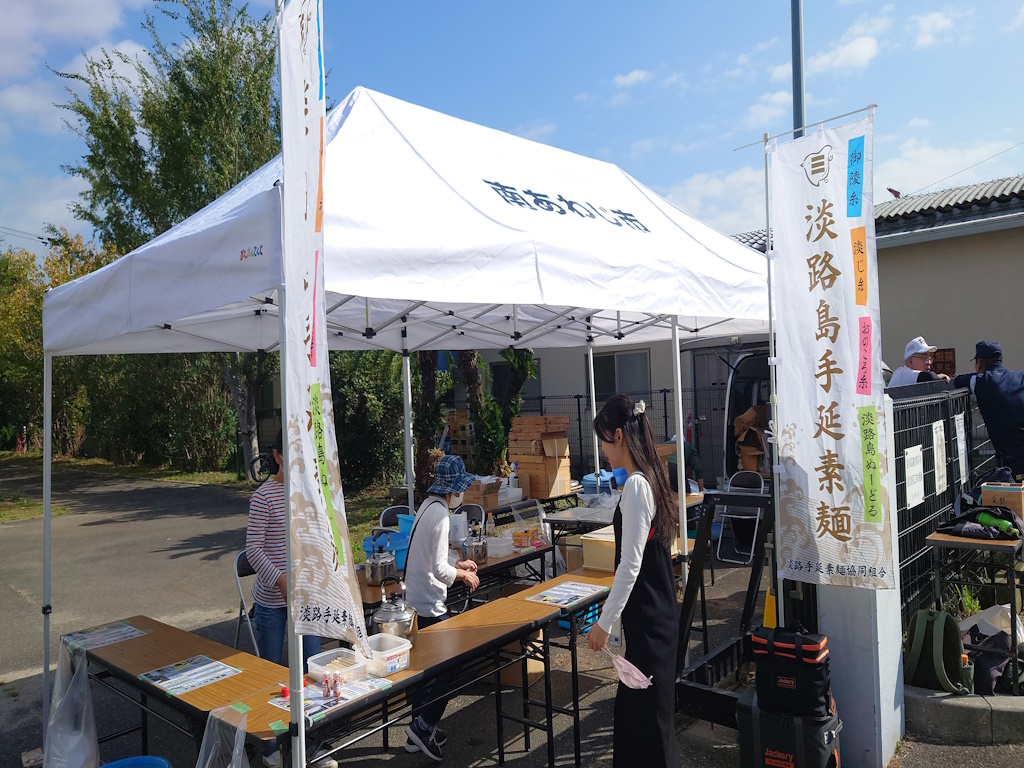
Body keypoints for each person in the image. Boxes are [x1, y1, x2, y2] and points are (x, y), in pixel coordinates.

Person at [586, 395, 680, 767]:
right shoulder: (650, 477)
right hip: (655, 618)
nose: (604, 452)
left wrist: (603, 624)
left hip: (650, 623)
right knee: (643, 719)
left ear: (620, 436)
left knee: (646, 722)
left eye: (605, 442)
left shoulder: (638, 486)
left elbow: (630, 565)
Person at [246, 430, 330, 768]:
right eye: (292, 455)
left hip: (305, 596)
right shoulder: (264, 497)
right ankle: (268, 748)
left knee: (313, 669)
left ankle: (311, 743)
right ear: (278, 456)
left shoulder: (307, 492)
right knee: (270, 673)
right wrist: (278, 579)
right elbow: (252, 550)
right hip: (271, 599)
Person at [403, 454, 481, 761]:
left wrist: (456, 562)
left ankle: (416, 729)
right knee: (451, 665)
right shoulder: (441, 516)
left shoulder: (427, 507)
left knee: (426, 671)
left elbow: (430, 558)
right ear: (453, 489)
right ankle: (423, 725)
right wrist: (462, 573)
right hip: (429, 602)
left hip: (416, 599)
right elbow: (439, 570)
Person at [953, 341, 1024, 480]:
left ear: (978, 363)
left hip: (1014, 457)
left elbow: (958, 381)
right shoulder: (1020, 377)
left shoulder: (981, 381)